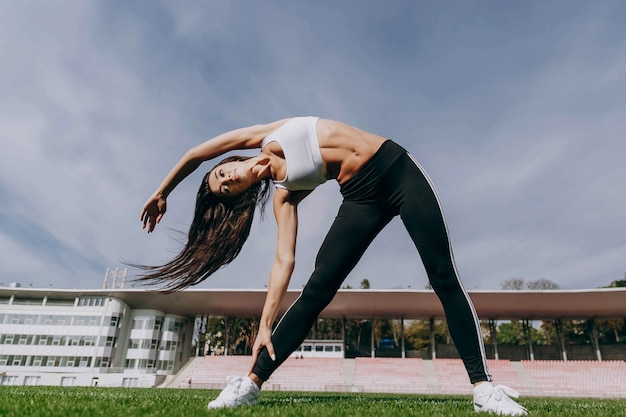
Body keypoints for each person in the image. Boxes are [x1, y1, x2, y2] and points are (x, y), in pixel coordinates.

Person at [138, 117, 527, 415]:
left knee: (442, 274)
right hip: (360, 198)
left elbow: (196, 153)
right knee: (318, 288)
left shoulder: (266, 134)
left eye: (224, 173)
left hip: (396, 169)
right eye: (226, 188)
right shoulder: (283, 197)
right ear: (238, 197)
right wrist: (264, 323)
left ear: (231, 162)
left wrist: (162, 192)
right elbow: (282, 262)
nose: (229, 178)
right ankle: (250, 384)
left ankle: (482, 389)